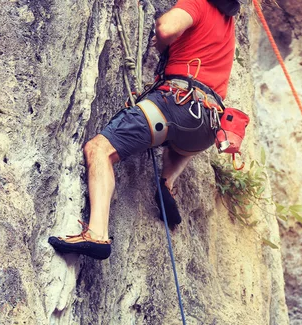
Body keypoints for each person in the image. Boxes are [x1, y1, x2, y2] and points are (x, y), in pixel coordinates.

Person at [48, 0, 239, 260]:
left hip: (177, 104)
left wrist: (162, 38)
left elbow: (167, 28)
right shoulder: (228, 23)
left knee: (99, 149)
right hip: (207, 128)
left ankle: (96, 233)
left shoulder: (198, 2)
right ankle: (167, 182)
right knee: (177, 141)